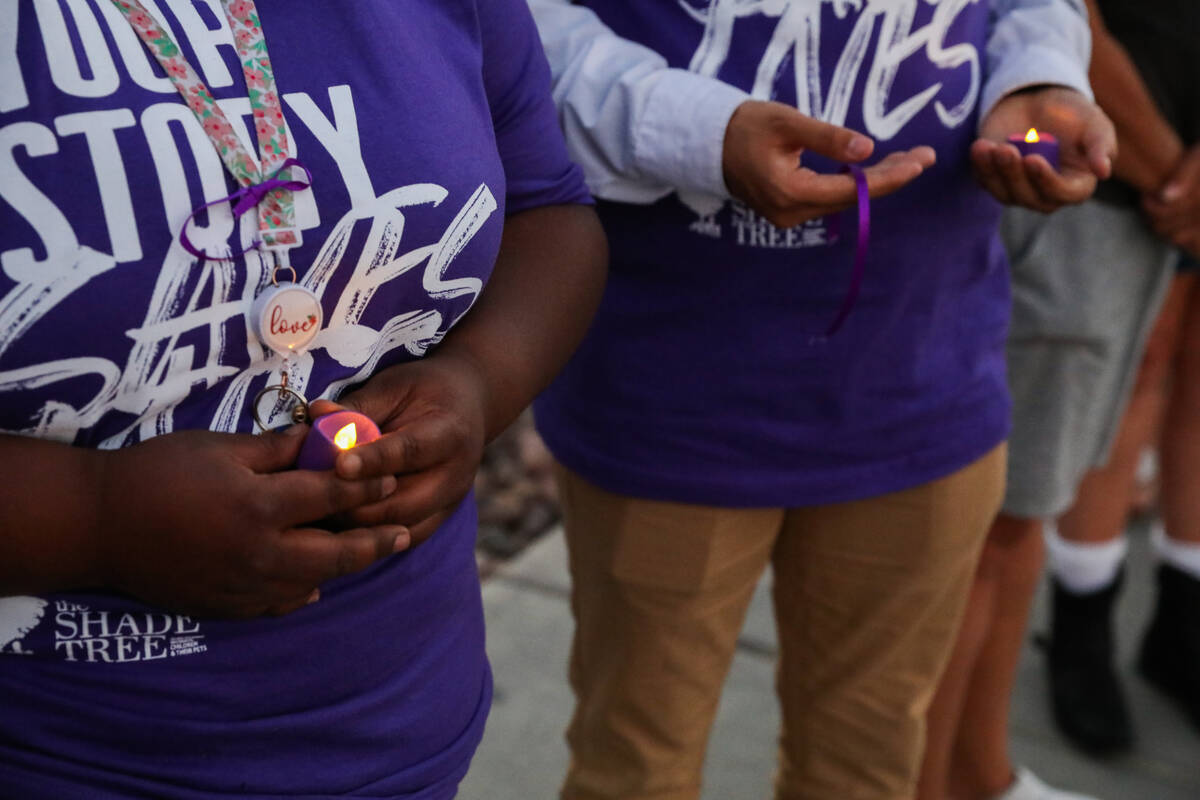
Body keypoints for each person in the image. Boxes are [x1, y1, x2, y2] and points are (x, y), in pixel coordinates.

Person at [0, 1, 606, 797]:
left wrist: (477, 384)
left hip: (402, 717)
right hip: (53, 748)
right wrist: (97, 521)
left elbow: (546, 206)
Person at [525, 1, 1113, 799]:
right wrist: (700, 132)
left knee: (866, 766)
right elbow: (514, 27)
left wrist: (1038, 74)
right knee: (634, 765)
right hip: (673, 398)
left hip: (923, 376)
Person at [917, 1, 1200, 797]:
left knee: (1016, 527)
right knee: (978, 538)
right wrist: (1174, 176)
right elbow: (1060, 16)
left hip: (1129, 201)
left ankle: (981, 772)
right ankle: (930, 784)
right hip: (1079, 199)